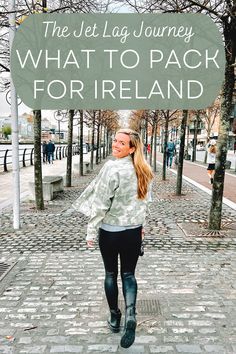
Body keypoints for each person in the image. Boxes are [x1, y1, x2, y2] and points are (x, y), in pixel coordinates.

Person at [73, 128, 153, 348]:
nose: (115, 145)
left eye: (121, 143)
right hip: (133, 231)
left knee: (110, 273)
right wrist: (141, 228)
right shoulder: (144, 169)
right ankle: (131, 314)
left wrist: (91, 231)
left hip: (111, 231)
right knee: (129, 274)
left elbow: (100, 204)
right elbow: (144, 202)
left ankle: (115, 317)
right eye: (115, 140)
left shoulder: (111, 168)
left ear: (132, 148)